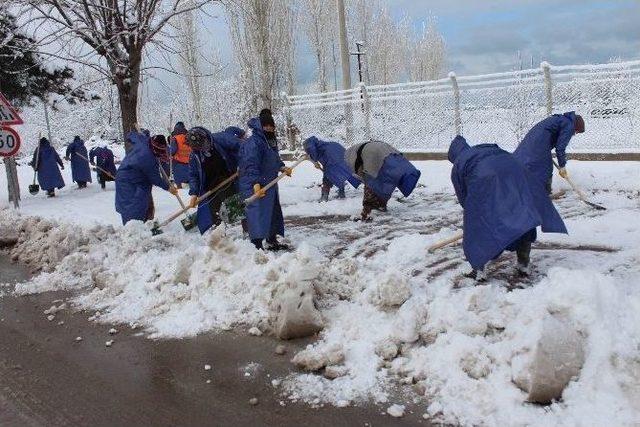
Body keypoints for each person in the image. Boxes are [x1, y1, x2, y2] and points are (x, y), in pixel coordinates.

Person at [448, 135, 568, 280]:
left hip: (486, 179)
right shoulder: (485, 149)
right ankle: (523, 263)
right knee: (523, 213)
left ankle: (478, 270)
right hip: (517, 171)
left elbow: (464, 198)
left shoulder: (459, 163)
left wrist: (475, 215)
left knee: (478, 226)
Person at [238, 109, 291, 250]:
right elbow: (250, 164)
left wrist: (282, 167)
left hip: (269, 182)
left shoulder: (270, 140)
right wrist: (255, 183)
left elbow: (274, 158)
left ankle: (271, 240)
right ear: (260, 126)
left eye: (271, 126)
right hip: (254, 183)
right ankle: (256, 246)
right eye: (266, 125)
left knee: (272, 212)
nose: (269, 128)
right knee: (258, 214)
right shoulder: (254, 142)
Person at [345, 140, 421, 220]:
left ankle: (367, 210)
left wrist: (367, 180)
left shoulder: (350, 158)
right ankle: (380, 205)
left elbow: (362, 173)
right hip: (386, 150)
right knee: (383, 177)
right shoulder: (353, 153)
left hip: (372, 153)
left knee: (370, 181)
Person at [186, 126, 242, 234]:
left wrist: (241, 164)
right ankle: (219, 234)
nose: (203, 148)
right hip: (211, 184)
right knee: (215, 211)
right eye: (199, 147)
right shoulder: (195, 155)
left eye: (203, 145)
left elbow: (243, 147)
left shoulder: (221, 139)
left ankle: (246, 232)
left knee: (237, 206)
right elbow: (193, 175)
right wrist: (194, 193)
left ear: (206, 138)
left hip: (230, 176)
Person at [115, 130, 177, 225]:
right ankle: (133, 228)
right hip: (127, 179)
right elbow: (155, 179)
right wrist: (168, 187)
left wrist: (137, 135)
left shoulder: (145, 140)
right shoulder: (147, 158)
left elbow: (132, 135)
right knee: (133, 205)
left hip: (139, 176)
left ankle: (144, 221)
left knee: (143, 200)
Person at [513, 112, 585, 193]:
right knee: (544, 168)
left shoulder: (562, 120)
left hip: (533, 140)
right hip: (539, 143)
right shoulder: (569, 125)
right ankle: (544, 193)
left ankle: (524, 188)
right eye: (576, 132)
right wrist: (562, 166)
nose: (574, 134)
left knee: (528, 163)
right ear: (576, 127)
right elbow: (560, 147)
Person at [303, 136, 360, 201]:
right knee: (340, 176)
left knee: (327, 177)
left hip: (332, 162)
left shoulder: (312, 146)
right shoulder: (327, 144)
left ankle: (324, 197)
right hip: (344, 160)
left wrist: (313, 159)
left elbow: (314, 155)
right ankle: (341, 193)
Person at [169, 122, 191, 188]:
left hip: (178, 163)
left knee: (179, 178)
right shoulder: (189, 137)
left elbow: (172, 151)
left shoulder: (175, 138)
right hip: (189, 162)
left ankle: (179, 186)